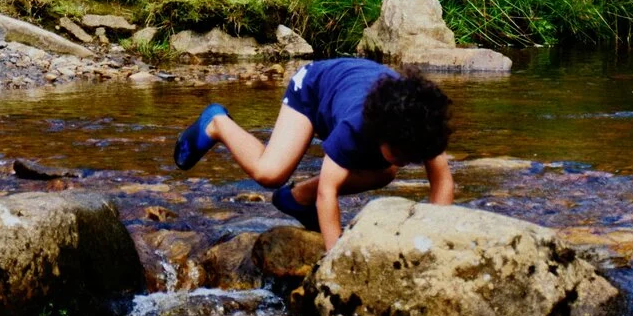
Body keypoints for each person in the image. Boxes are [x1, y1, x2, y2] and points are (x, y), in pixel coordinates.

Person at [173, 59, 455, 248]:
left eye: (412, 156)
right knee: (269, 173)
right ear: (380, 131)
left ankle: (296, 200)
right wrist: (335, 258)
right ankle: (217, 123)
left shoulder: (422, 122)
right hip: (312, 90)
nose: (407, 161)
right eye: (400, 152)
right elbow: (328, 192)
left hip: (355, 86)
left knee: (385, 172)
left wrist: (432, 237)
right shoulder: (355, 126)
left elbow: (441, 182)